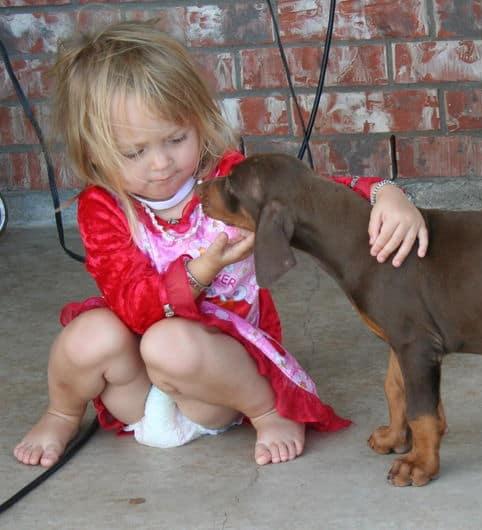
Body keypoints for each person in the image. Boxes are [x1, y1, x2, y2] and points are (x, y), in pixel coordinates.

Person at [13, 20, 428, 468]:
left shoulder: (228, 179)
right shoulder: (104, 207)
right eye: (134, 152)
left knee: (168, 343)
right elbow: (133, 306)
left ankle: (269, 411)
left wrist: (385, 193)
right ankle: (61, 413)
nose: (161, 163)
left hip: (215, 383)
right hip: (136, 391)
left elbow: (313, 194)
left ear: (198, 121)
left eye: (176, 139)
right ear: (93, 151)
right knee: (87, 336)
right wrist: (198, 272)